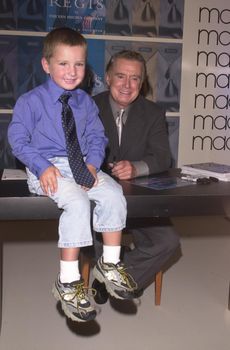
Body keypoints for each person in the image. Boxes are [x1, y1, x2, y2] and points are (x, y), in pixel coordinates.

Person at [7, 28, 137, 323]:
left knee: (113, 194)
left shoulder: (85, 102)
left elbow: (97, 137)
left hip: (80, 163)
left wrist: (92, 164)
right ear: (46, 64)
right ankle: (68, 281)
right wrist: (42, 166)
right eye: (63, 63)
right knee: (78, 202)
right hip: (47, 167)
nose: (72, 71)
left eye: (78, 64)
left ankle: (111, 263)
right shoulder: (31, 101)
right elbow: (17, 139)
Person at [92, 50, 180, 302]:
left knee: (168, 241)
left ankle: (115, 274)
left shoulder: (153, 113)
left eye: (134, 79)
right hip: (98, 198)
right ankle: (112, 267)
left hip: (138, 200)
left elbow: (163, 157)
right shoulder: (87, 108)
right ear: (108, 77)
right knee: (87, 231)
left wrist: (136, 167)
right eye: (120, 76)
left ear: (142, 83)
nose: (127, 85)